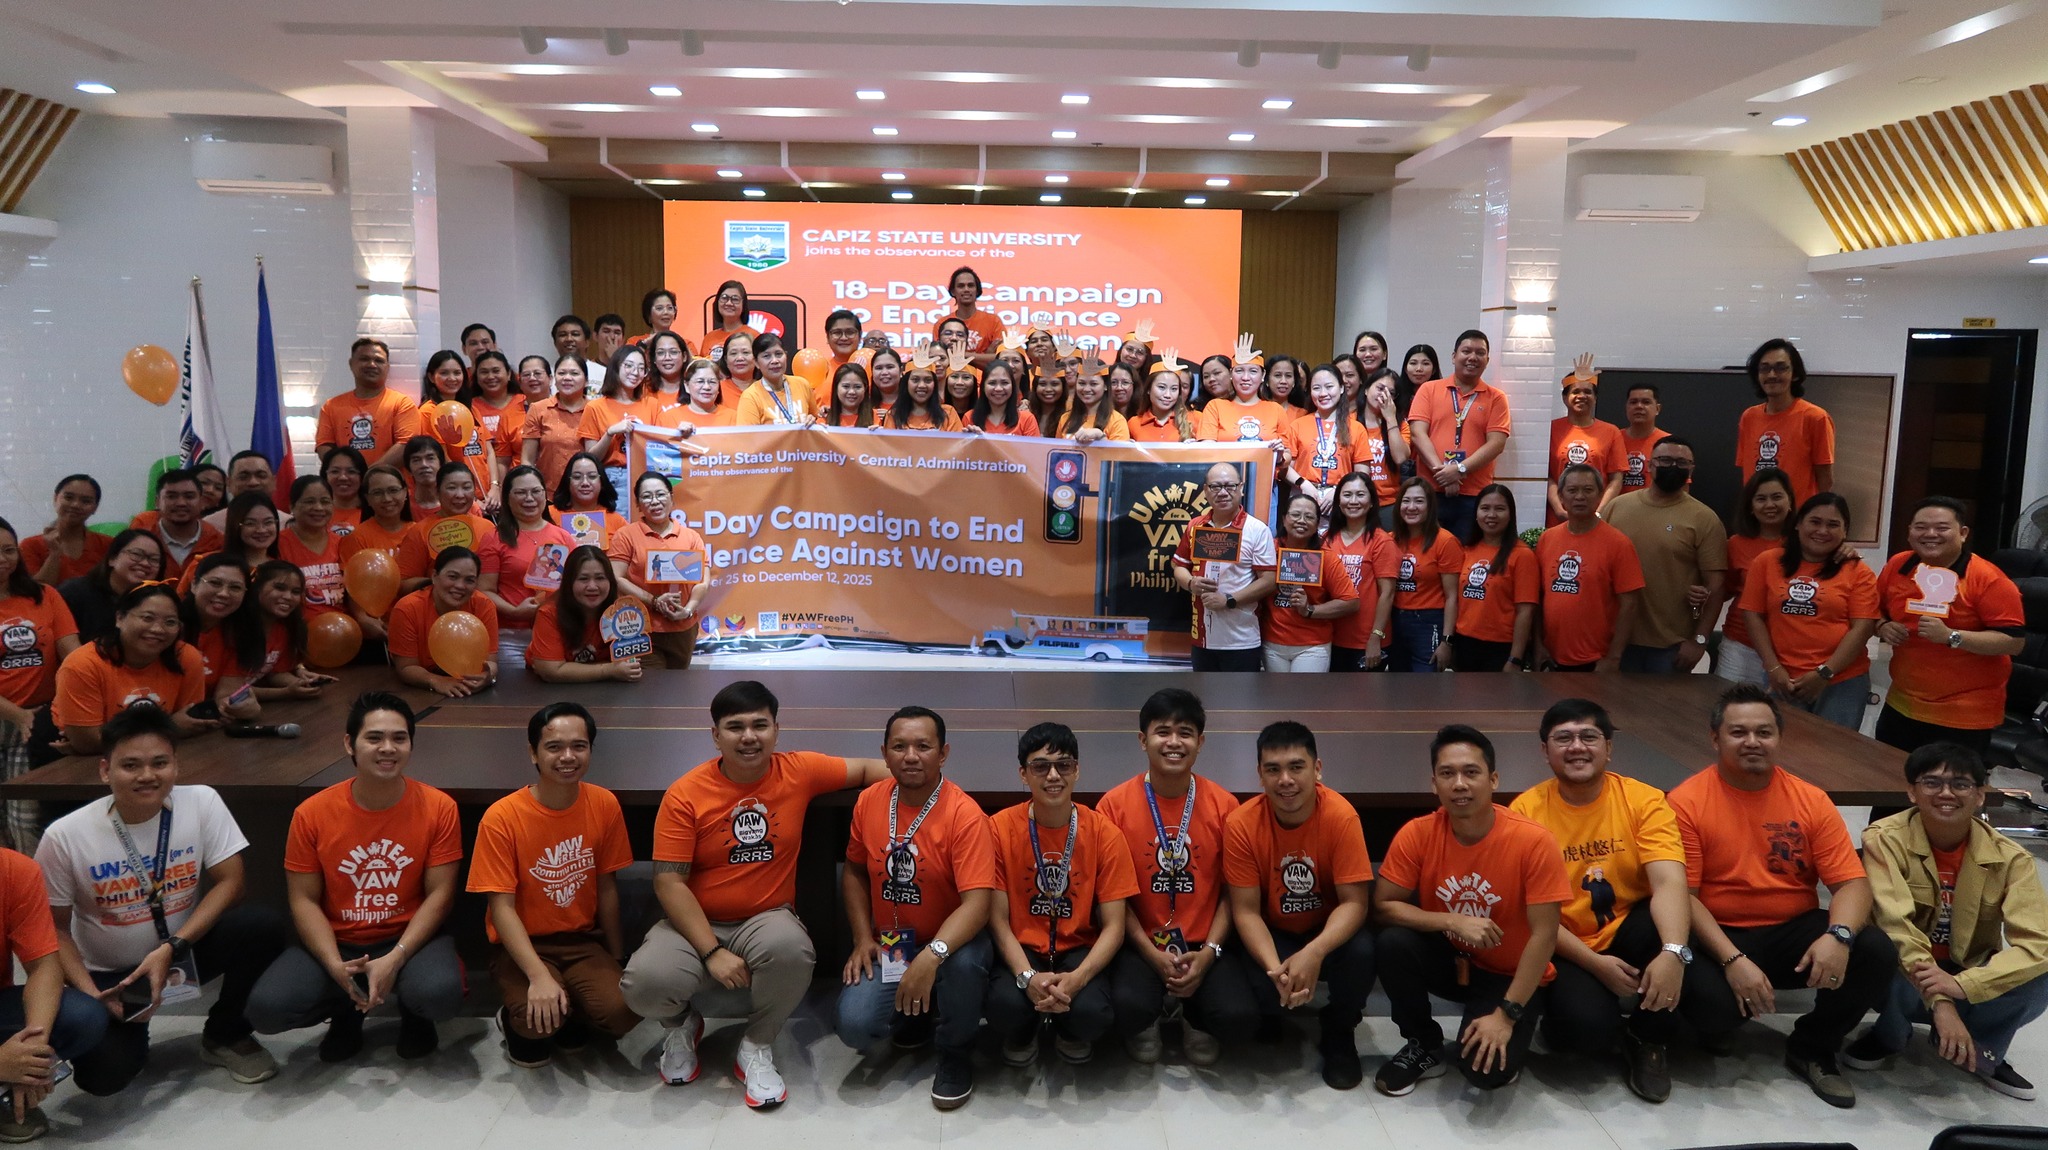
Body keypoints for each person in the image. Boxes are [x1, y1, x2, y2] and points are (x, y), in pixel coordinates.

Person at [620, 680, 889, 1109]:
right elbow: (669, 882)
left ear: (776, 731)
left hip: (766, 916)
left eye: (760, 725)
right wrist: (712, 952)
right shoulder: (685, 794)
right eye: (735, 727)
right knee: (644, 985)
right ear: (716, 736)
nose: (749, 737)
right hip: (696, 920)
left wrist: (921, 779)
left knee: (792, 950)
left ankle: (757, 1045)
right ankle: (681, 1026)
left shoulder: (798, 770)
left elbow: (865, 769)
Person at [37, 704, 288, 1098]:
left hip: (179, 956)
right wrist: (93, 996)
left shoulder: (201, 802)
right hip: (115, 978)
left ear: (176, 765)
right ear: (105, 770)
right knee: (104, 1077)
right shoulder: (65, 836)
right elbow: (53, 930)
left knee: (262, 925)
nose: (147, 775)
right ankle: (124, 1022)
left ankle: (225, 1034)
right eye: (130, 765)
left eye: (159, 763)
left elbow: (232, 883)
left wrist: (172, 948)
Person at [1670, 684, 1896, 1108]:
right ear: (1715, 739)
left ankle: (1813, 1048)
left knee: (1874, 949)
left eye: (1764, 732)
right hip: (1719, 932)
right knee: (1714, 1011)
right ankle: (1715, 1025)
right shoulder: (1687, 802)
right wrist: (1733, 961)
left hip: (1792, 929)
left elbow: (1852, 883)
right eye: (1738, 732)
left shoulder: (1811, 799)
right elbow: (1685, 897)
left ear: (1779, 738)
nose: (1752, 742)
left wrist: (1839, 936)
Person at [248, 692, 465, 1062]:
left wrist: (396, 956)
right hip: (340, 941)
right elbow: (303, 899)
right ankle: (345, 1010)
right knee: (267, 1010)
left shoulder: (439, 808)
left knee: (439, 995)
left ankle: (415, 1015)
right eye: (374, 738)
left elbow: (440, 895)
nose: (388, 748)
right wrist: (334, 964)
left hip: (406, 938)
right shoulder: (311, 813)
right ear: (350, 744)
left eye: (399, 738)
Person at [1509, 699, 1693, 1102]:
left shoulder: (1644, 800)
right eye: (1563, 738)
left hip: (1628, 925)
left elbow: (1669, 883)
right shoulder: (1525, 812)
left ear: (1609, 748)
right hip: (1565, 940)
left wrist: (1673, 952)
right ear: (1544, 751)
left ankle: (1649, 1039)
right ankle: (1573, 1017)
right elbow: (1532, 916)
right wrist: (1596, 965)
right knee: (1584, 1032)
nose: (1577, 747)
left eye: (1589, 737)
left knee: (1675, 934)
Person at [1373, 724, 1568, 1095]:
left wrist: (1506, 1015)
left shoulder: (1533, 841)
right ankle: (1424, 1045)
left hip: (1509, 975)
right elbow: (1383, 907)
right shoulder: (1417, 833)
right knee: (1393, 942)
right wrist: (1453, 920)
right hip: (1452, 960)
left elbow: (1545, 936)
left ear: (1493, 780)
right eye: (1447, 774)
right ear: (1434, 784)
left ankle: (1505, 1026)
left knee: (1485, 1073)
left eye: (1471, 772)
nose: (1459, 784)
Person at [1848, 742, 2048, 1100]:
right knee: (1879, 948)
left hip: (1966, 970)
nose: (1946, 793)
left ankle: (1982, 1049)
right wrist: (1942, 1001)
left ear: (1980, 795)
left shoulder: (2011, 858)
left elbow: (2038, 943)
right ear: (1912, 792)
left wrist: (1964, 984)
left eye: (1961, 784)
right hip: (1906, 970)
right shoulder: (1884, 839)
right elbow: (1896, 925)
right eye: (1932, 782)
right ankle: (1889, 1035)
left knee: (2040, 970)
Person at [837, 706, 996, 1110]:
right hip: (894, 942)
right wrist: (861, 938)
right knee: (854, 1026)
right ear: (884, 753)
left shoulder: (965, 815)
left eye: (923, 747)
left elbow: (978, 905)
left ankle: (955, 1054)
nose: (911, 756)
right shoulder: (869, 801)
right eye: (899, 747)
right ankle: (916, 1015)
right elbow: (854, 869)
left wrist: (930, 957)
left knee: (962, 967)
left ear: (943, 754)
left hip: (955, 942)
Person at [468, 702, 638, 1069]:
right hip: (523, 945)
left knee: (624, 1012)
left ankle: (569, 1009)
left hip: (581, 940)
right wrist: (537, 976)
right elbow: (502, 908)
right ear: (533, 753)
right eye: (554, 747)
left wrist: (616, 957)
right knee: (535, 1021)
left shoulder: (604, 804)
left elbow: (607, 888)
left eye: (579, 746)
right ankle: (515, 1020)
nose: (568, 757)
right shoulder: (501, 818)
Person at [1100, 690, 1255, 1067]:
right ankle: (1149, 1016)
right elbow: (1113, 900)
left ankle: (1194, 1016)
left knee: (1239, 1018)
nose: (1173, 742)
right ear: (1143, 740)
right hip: (1141, 942)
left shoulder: (1226, 807)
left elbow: (1231, 894)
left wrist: (1209, 953)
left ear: (1200, 742)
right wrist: (1151, 954)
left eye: (1185, 733)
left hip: (1203, 942)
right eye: (1162, 732)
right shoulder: (1113, 807)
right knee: (1123, 1009)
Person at [1224, 722, 1376, 1089]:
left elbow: (1355, 903)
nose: (1285, 780)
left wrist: (1315, 951)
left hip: (1325, 930)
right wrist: (1276, 971)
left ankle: (1340, 1029)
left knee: (1363, 951)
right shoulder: (1241, 823)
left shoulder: (1341, 816)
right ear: (1260, 774)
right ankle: (1274, 1010)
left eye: (1296, 767)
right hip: (1274, 930)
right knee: (1256, 991)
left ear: (1317, 769)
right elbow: (1245, 911)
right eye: (1273, 769)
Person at [983, 722, 1137, 1069]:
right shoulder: (998, 829)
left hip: (1077, 948)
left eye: (1063, 765)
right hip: (1023, 948)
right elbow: (997, 920)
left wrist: (1078, 979)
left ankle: (1069, 1031)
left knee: (1092, 1015)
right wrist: (1027, 977)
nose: (1053, 776)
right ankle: (1023, 1031)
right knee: (1003, 1008)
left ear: (1077, 770)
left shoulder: (1105, 834)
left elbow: (1115, 926)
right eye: (1040, 766)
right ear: (1023, 774)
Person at [1872, 497, 2027, 755]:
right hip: (1902, 701)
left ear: (1963, 533)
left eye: (1942, 528)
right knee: (1888, 774)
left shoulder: (1988, 579)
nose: (1930, 534)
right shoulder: (1899, 565)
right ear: (1909, 532)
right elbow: (1874, 612)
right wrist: (1883, 627)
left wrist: (1951, 636)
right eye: (1921, 527)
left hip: (1964, 711)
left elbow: (2014, 642)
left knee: (1945, 779)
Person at [1738, 492, 1878, 730]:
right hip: (1784, 678)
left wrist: (1825, 673)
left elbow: (1862, 628)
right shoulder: (1767, 562)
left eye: (1833, 525)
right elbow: (1752, 615)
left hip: (1842, 681)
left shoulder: (1858, 571)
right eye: (1815, 521)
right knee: (1784, 746)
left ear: (1845, 531)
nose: (1822, 530)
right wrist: (1773, 668)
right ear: (1798, 524)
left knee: (1833, 749)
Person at [0, 837, 107, 1143]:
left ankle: (11, 1089)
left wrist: (30, 1057)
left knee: (83, 1017)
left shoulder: (15, 870)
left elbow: (44, 967)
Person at [1605, 435, 1728, 673]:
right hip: (1615, 641)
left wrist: (1699, 641)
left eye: (1682, 463)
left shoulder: (1705, 519)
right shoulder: (1617, 507)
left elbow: (1716, 586)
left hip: (1671, 648)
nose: (1673, 466)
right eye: (1665, 460)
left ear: (1691, 469)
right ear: (1650, 465)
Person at [51, 583, 212, 756]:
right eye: (147, 618)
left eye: (170, 622)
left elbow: (190, 722)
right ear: (119, 618)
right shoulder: (82, 665)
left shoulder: (187, 657)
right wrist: (170, 727)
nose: (158, 629)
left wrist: (172, 729)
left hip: (156, 753)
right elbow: (88, 743)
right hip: (76, 756)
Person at [0, 517, 79, 851]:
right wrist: (17, 714)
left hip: (36, 720)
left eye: (8, 550)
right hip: (17, 716)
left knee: (26, 817)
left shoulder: (45, 595)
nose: (3, 559)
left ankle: (31, 881)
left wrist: (65, 705)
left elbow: (74, 657)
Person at [1537, 464, 1645, 672]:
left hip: (1596, 661)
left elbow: (1630, 604)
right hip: (1550, 659)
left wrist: (1613, 658)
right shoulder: (1547, 539)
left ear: (1600, 496)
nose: (1580, 497)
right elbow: (1539, 598)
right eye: (1572, 490)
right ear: (1561, 497)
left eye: (1588, 490)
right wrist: (1538, 646)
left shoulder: (1619, 543)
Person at [1171, 463, 1277, 672]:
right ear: (1205, 490)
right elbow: (1178, 566)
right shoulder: (1195, 526)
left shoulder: (1257, 530)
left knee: (1240, 695)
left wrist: (1229, 600)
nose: (1222, 493)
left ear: (1241, 488)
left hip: (1241, 640)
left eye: (1229, 486)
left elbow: (1269, 581)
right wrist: (1191, 583)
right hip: (1201, 639)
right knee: (1203, 693)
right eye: (1215, 486)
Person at [1406, 330, 1511, 540]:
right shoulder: (1428, 389)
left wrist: (1459, 470)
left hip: (1474, 495)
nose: (1473, 357)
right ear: (1454, 356)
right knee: (1427, 551)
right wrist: (1444, 474)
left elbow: (1497, 444)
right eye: (1466, 351)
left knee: (1467, 552)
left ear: (1487, 360)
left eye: (1480, 353)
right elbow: (1417, 434)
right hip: (1429, 492)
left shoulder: (1496, 398)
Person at [478, 465, 577, 669]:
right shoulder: (494, 538)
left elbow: (575, 584)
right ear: (507, 498)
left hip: (557, 632)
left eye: (536, 491)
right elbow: (484, 590)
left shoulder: (563, 537)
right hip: (511, 635)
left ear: (545, 495)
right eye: (521, 492)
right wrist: (515, 611)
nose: (529, 498)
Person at [606, 474, 709, 671]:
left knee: (678, 683)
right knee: (649, 684)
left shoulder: (691, 537)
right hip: (640, 627)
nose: (654, 501)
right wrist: (653, 601)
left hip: (683, 628)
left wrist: (688, 610)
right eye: (646, 496)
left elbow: (702, 582)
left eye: (660, 494)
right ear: (638, 504)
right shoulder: (625, 535)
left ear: (672, 498)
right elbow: (616, 577)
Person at [1715, 467, 1796, 685]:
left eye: (1777, 497)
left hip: (1789, 651)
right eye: (1761, 499)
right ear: (1750, 506)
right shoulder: (1735, 544)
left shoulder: (1805, 543)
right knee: (1730, 703)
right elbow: (1725, 590)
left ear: (1790, 502)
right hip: (1741, 648)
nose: (1770, 505)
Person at [1261, 493, 1359, 673]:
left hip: (1312, 645)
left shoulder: (1326, 557)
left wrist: (1310, 610)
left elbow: (1350, 602)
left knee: (1304, 693)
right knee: (1276, 692)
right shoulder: (1268, 550)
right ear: (1284, 519)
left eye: (1309, 517)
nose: (1301, 521)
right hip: (1272, 642)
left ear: (1317, 525)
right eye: (1295, 515)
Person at [387, 546, 500, 698]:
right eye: (452, 577)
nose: (460, 586)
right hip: (421, 695)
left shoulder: (484, 606)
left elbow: (491, 663)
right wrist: (436, 681)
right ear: (434, 576)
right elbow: (406, 667)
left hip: (470, 693)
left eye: (469, 580)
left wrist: (488, 676)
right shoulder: (407, 608)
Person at [1737, 338, 1835, 506]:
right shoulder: (1749, 417)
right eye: (1764, 368)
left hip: (1797, 517)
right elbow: (1748, 474)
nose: (1772, 375)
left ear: (1794, 374)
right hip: (1757, 516)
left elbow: (1825, 481)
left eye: (1781, 368)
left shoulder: (1815, 417)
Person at [527, 546, 644, 684]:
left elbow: (626, 661)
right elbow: (551, 671)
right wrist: (610, 670)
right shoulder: (548, 613)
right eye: (583, 579)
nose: (592, 586)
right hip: (550, 688)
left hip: (605, 686)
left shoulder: (622, 611)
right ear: (569, 582)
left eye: (600, 578)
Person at [1452, 483, 1537, 672]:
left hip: (1501, 649)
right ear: (1476, 513)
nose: (1491, 515)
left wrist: (1515, 658)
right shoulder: (1466, 550)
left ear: (1511, 514)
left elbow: (1526, 612)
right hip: (1464, 644)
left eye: (1499, 509)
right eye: (1485, 508)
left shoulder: (1522, 555)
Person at [1323, 474, 1398, 672]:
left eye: (1360, 495)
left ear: (1372, 502)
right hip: (1330, 637)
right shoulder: (1327, 539)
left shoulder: (1382, 541)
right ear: (1338, 501)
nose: (1353, 501)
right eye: (1347, 495)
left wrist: (1375, 637)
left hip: (1367, 640)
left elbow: (1388, 593)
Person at [1387, 478, 1462, 673]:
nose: (1411, 507)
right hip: (1395, 621)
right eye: (1406, 501)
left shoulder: (1445, 541)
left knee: (1426, 686)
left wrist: (1447, 641)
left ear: (1430, 506)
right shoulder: (1390, 539)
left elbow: (1452, 596)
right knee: (1396, 683)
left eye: (1419, 501)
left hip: (1429, 622)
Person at [1545, 356, 1627, 525]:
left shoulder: (1611, 431)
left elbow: (1616, 479)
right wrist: (1559, 509)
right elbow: (1546, 476)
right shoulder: (1550, 429)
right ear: (1565, 397)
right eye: (1575, 391)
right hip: (1557, 518)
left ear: (1595, 398)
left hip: (1595, 519)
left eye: (1588, 392)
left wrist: (1599, 512)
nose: (1582, 396)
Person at [1281, 364, 1368, 521]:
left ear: (1341, 388)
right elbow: (1285, 467)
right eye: (1316, 388)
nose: (1323, 393)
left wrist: (1340, 491)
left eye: (1329, 387)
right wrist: (1303, 484)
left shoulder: (1356, 428)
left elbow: (1362, 473)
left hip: (1341, 500)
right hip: (1303, 496)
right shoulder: (1298, 425)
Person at [315, 339, 421, 468]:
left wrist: (370, 475)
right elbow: (324, 445)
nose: (372, 364)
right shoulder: (331, 406)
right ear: (351, 364)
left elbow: (406, 445)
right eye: (364, 359)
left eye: (379, 360)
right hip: (346, 480)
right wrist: (347, 472)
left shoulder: (402, 404)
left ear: (387, 367)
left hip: (389, 480)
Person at [581, 344, 660, 509]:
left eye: (641, 368)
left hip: (646, 475)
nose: (635, 372)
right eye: (629, 365)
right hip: (613, 476)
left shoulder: (652, 404)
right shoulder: (595, 407)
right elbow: (591, 459)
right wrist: (609, 433)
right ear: (616, 367)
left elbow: (661, 445)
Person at [395, 462, 494, 591]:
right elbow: (403, 583)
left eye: (466, 487)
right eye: (451, 488)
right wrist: (439, 583)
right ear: (437, 491)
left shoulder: (488, 528)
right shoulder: (420, 532)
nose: (460, 495)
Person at [58, 529, 164, 645]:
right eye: (136, 555)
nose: (145, 563)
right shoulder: (74, 593)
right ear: (112, 558)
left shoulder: (159, 603)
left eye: (154, 560)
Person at [130, 470, 222, 584]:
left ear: (202, 501)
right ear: (157, 502)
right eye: (172, 496)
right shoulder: (140, 535)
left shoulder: (217, 542)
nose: (181, 503)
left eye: (189, 496)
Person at [1197, 335, 1290, 448]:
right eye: (1239, 371)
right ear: (1231, 374)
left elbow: (1287, 452)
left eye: (1253, 371)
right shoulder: (1215, 407)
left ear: (1263, 375)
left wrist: (1279, 453)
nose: (1245, 377)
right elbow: (1207, 448)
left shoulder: (1276, 410)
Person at [521, 354, 592, 493]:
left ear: (586, 381)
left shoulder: (595, 409)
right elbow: (527, 460)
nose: (567, 378)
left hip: (587, 492)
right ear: (554, 379)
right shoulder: (538, 409)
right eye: (562, 373)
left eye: (574, 373)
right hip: (548, 493)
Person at [276, 476, 347, 617]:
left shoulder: (343, 543)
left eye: (325, 501)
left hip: (344, 625)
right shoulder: (278, 543)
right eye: (309, 501)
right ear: (292, 506)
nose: (319, 508)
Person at [20, 475, 107, 586]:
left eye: (86, 501)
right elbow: (35, 591)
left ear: (95, 508)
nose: (75, 505)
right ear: (55, 499)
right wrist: (54, 554)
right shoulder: (30, 546)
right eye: (69, 497)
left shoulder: (107, 545)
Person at [735, 334, 818, 426]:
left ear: (786, 356)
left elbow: (815, 418)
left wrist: (812, 419)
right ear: (756, 363)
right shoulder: (751, 396)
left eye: (778, 354)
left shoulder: (802, 384)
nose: (775, 361)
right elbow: (747, 434)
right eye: (766, 356)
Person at [880, 347, 963, 431]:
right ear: (906, 383)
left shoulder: (948, 413)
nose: (922, 385)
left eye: (928, 380)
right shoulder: (893, 415)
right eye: (915, 380)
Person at [552, 452, 623, 551]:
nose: (585, 483)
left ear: (602, 482)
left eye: (592, 477)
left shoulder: (618, 522)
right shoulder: (549, 515)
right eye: (577, 477)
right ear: (567, 482)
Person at [935, 266, 1004, 365]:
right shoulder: (942, 323)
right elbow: (940, 359)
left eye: (970, 285)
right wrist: (985, 355)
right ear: (953, 291)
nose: (966, 289)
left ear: (977, 290)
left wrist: (960, 355)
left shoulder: (993, 321)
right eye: (961, 286)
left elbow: (1002, 359)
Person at [198, 451, 279, 533]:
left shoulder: (285, 523)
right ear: (229, 483)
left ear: (274, 481)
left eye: (261, 476)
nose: (253, 482)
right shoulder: (208, 526)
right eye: (243, 477)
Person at [1057, 359, 1130, 442]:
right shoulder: (1065, 419)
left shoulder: (1117, 421)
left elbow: (1120, 450)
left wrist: (1101, 437)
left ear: (1106, 386)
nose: (1086, 389)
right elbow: (1055, 449)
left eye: (1093, 384)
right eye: (1082, 383)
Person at [1127, 356, 1194, 442]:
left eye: (1174, 389)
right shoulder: (1134, 423)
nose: (1168, 395)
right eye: (1162, 387)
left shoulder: (1195, 419)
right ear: (1148, 389)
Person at [1620, 382, 1671, 493]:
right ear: (1626, 407)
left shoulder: (1669, 444)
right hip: (1617, 503)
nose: (1639, 406)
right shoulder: (1614, 439)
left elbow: (1681, 487)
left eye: (1646, 402)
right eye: (1633, 402)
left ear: (1657, 409)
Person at [966, 360, 1039, 436]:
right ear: (983, 387)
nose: (998, 389)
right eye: (992, 383)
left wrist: (984, 439)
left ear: (1012, 386)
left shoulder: (1027, 419)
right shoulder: (969, 417)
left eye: (1004, 383)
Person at [701, 281, 758, 369]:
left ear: (743, 305)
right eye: (724, 298)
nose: (729, 303)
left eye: (735, 299)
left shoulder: (754, 335)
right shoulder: (709, 338)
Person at [320, 446, 368, 536]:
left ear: (362, 476)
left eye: (351, 472)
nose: (343, 477)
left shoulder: (375, 512)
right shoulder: (316, 513)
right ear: (325, 475)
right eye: (335, 471)